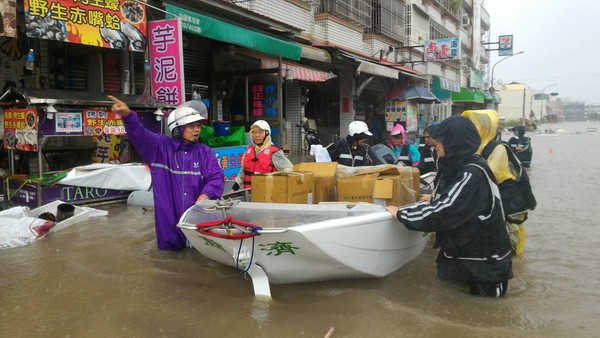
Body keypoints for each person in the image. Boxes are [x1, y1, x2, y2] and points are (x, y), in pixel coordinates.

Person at [385, 116, 513, 297]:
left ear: (455, 142)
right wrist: (432, 197)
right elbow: (452, 199)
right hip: (459, 256)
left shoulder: (472, 172)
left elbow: (446, 210)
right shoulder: (456, 166)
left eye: (440, 140)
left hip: (483, 266)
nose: (434, 144)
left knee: (483, 314)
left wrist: (401, 213)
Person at [108, 95, 225, 251]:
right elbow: (140, 134)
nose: (196, 129)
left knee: (199, 256)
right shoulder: (159, 148)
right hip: (168, 224)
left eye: (198, 125)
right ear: (178, 128)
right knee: (168, 262)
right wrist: (128, 116)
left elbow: (217, 178)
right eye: (191, 126)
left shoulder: (204, 153)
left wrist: (207, 194)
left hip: (197, 221)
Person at [462, 110, 536, 256]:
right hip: (494, 198)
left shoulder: (498, 148)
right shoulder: (476, 148)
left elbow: (486, 174)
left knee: (510, 241)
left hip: (508, 199)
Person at [231, 120, 293, 190]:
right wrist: (233, 189)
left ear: (267, 134)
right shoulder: (249, 150)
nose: (257, 135)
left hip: (267, 193)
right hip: (249, 193)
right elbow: (242, 173)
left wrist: (274, 177)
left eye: (260, 132)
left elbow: (288, 169)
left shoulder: (275, 152)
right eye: (254, 132)